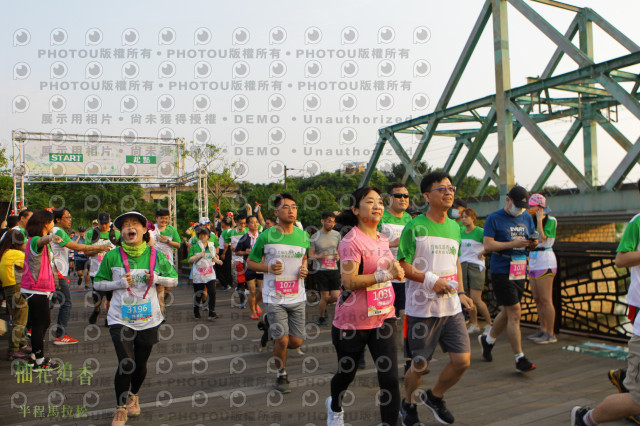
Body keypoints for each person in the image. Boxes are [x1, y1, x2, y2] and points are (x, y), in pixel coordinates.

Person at [398, 171, 474, 426]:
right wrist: (432, 280)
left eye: (451, 188)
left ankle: (435, 396)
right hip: (422, 309)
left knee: (462, 361)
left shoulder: (454, 227)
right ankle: (408, 404)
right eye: (441, 188)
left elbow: (455, 262)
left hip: (451, 308)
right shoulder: (414, 226)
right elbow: (403, 266)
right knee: (419, 365)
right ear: (427, 196)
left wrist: (461, 292)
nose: (448, 192)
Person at [325, 187, 404, 426]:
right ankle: (335, 406)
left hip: (383, 317)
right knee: (346, 374)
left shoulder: (382, 239)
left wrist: (395, 270)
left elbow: (387, 269)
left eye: (379, 201)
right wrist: (385, 275)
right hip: (353, 321)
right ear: (356, 210)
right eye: (370, 202)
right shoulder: (351, 241)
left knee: (390, 379)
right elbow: (349, 281)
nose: (377, 206)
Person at [94, 211, 178, 426]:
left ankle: (134, 395)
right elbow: (98, 283)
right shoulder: (112, 256)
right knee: (126, 362)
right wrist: (119, 283)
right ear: (121, 232)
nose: (130, 227)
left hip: (149, 319)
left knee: (140, 365)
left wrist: (156, 278)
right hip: (120, 318)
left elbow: (174, 280)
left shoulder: (156, 255)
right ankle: (120, 408)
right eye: (125, 225)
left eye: (135, 224)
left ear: (143, 230)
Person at [572, 181, 640, 424]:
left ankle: (625, 377)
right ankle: (586, 418)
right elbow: (621, 259)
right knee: (637, 399)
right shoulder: (638, 222)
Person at [247, 193, 309, 394]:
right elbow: (250, 262)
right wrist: (268, 268)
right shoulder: (266, 236)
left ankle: (268, 323)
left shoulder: (303, 236)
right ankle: (281, 375)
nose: (291, 210)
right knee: (282, 340)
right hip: (274, 296)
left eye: (294, 207)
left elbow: (304, 258)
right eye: (286, 207)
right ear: (276, 212)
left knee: (295, 341)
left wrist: (305, 268)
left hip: (297, 295)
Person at [479, 185, 538, 373]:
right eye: (517, 205)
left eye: (523, 206)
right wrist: (512, 243)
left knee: (507, 311)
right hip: (502, 269)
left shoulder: (526, 217)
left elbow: (532, 238)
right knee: (515, 311)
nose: (519, 210)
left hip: (520, 268)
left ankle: (488, 340)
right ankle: (519, 358)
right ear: (508, 200)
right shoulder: (494, 218)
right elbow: (488, 245)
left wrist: (532, 242)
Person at [51, 207, 109, 344]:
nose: (70, 220)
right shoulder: (59, 231)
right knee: (66, 304)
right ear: (58, 219)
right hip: (58, 274)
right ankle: (60, 335)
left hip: (55, 273)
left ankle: (33, 329)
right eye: (67, 217)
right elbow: (76, 247)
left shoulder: (54, 231)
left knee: (50, 303)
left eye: (70, 217)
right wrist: (99, 247)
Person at [21, 209, 63, 370]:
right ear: (45, 223)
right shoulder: (35, 240)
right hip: (35, 288)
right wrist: (51, 238)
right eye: (51, 221)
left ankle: (34, 355)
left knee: (43, 323)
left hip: (40, 289)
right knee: (40, 324)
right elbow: (41, 241)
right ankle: (39, 361)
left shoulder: (38, 241)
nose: (53, 224)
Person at [526, 193, 558, 344]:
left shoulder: (551, 220)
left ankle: (550, 333)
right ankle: (542, 328)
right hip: (533, 259)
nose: (530, 209)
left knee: (546, 299)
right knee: (537, 299)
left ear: (540, 207)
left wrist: (540, 220)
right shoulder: (530, 221)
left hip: (545, 259)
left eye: (533, 206)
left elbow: (542, 237)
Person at [459, 208, 492, 334]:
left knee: (476, 298)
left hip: (476, 266)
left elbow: (489, 245)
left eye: (466, 217)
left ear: (473, 218)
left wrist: (482, 252)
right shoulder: (460, 232)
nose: (463, 219)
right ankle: (474, 324)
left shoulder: (480, 231)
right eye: (462, 217)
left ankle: (489, 324)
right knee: (468, 297)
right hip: (463, 265)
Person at [86, 212, 120, 325]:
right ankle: (96, 310)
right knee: (97, 297)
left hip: (112, 273)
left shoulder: (116, 234)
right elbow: (85, 252)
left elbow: (121, 252)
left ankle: (108, 317)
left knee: (111, 297)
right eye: (102, 224)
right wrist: (98, 250)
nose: (104, 226)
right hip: (96, 272)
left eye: (106, 223)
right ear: (98, 223)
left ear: (109, 222)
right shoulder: (91, 234)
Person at [0, 229, 30, 360]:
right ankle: (13, 349)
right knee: (20, 318)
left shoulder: (4, 253)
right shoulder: (14, 253)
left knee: (17, 316)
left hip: (8, 289)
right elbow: (31, 264)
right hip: (15, 287)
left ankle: (22, 343)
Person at [310, 211, 341, 326]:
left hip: (333, 268)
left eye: (333, 222)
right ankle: (321, 317)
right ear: (322, 221)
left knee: (336, 296)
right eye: (329, 221)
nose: (331, 224)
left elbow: (339, 251)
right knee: (325, 295)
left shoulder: (337, 235)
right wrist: (320, 256)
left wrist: (338, 256)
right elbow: (310, 255)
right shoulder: (315, 237)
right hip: (320, 270)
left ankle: (323, 305)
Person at [150, 208, 181, 316]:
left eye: (166, 218)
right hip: (154, 263)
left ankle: (161, 304)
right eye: (162, 218)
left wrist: (167, 241)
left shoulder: (172, 230)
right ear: (156, 219)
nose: (164, 220)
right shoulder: (151, 229)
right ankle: (161, 311)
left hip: (167, 263)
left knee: (167, 288)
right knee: (159, 287)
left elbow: (178, 245)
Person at [188, 225, 222, 320]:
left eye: (205, 234)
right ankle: (196, 312)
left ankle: (212, 312)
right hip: (199, 274)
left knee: (212, 292)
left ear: (208, 236)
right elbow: (189, 260)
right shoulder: (194, 247)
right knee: (198, 294)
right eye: (200, 234)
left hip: (210, 273)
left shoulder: (211, 246)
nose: (203, 236)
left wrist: (218, 261)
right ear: (198, 236)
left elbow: (213, 257)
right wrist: (198, 256)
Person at [235, 215, 264, 319]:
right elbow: (237, 252)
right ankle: (253, 311)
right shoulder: (244, 238)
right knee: (252, 291)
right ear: (247, 224)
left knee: (262, 291)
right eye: (252, 222)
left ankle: (255, 304)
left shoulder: (262, 236)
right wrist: (245, 252)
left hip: (261, 266)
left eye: (256, 222)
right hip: (249, 266)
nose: (255, 224)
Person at [228, 214, 248, 306]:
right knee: (241, 280)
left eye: (244, 223)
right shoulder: (231, 232)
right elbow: (227, 245)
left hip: (248, 260)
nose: (242, 225)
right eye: (240, 223)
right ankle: (242, 300)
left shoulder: (248, 231)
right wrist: (231, 247)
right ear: (236, 222)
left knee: (248, 280)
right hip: (237, 260)